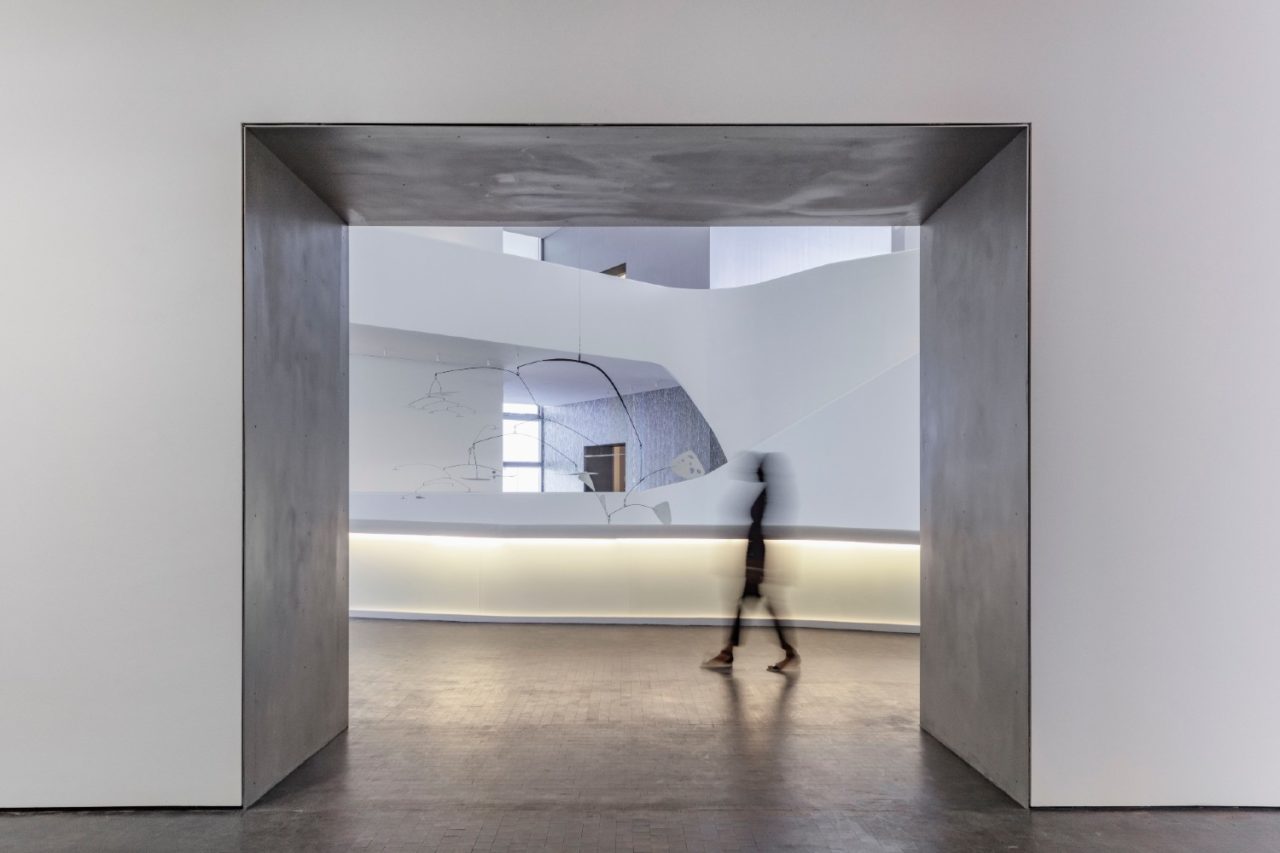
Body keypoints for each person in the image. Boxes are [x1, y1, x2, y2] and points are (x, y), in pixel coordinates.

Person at [702, 453, 799, 673]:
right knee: (755, 606)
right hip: (756, 555)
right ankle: (785, 652)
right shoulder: (765, 494)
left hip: (756, 556)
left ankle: (729, 652)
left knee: (749, 606)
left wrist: (754, 564)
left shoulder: (764, 495)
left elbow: (757, 531)